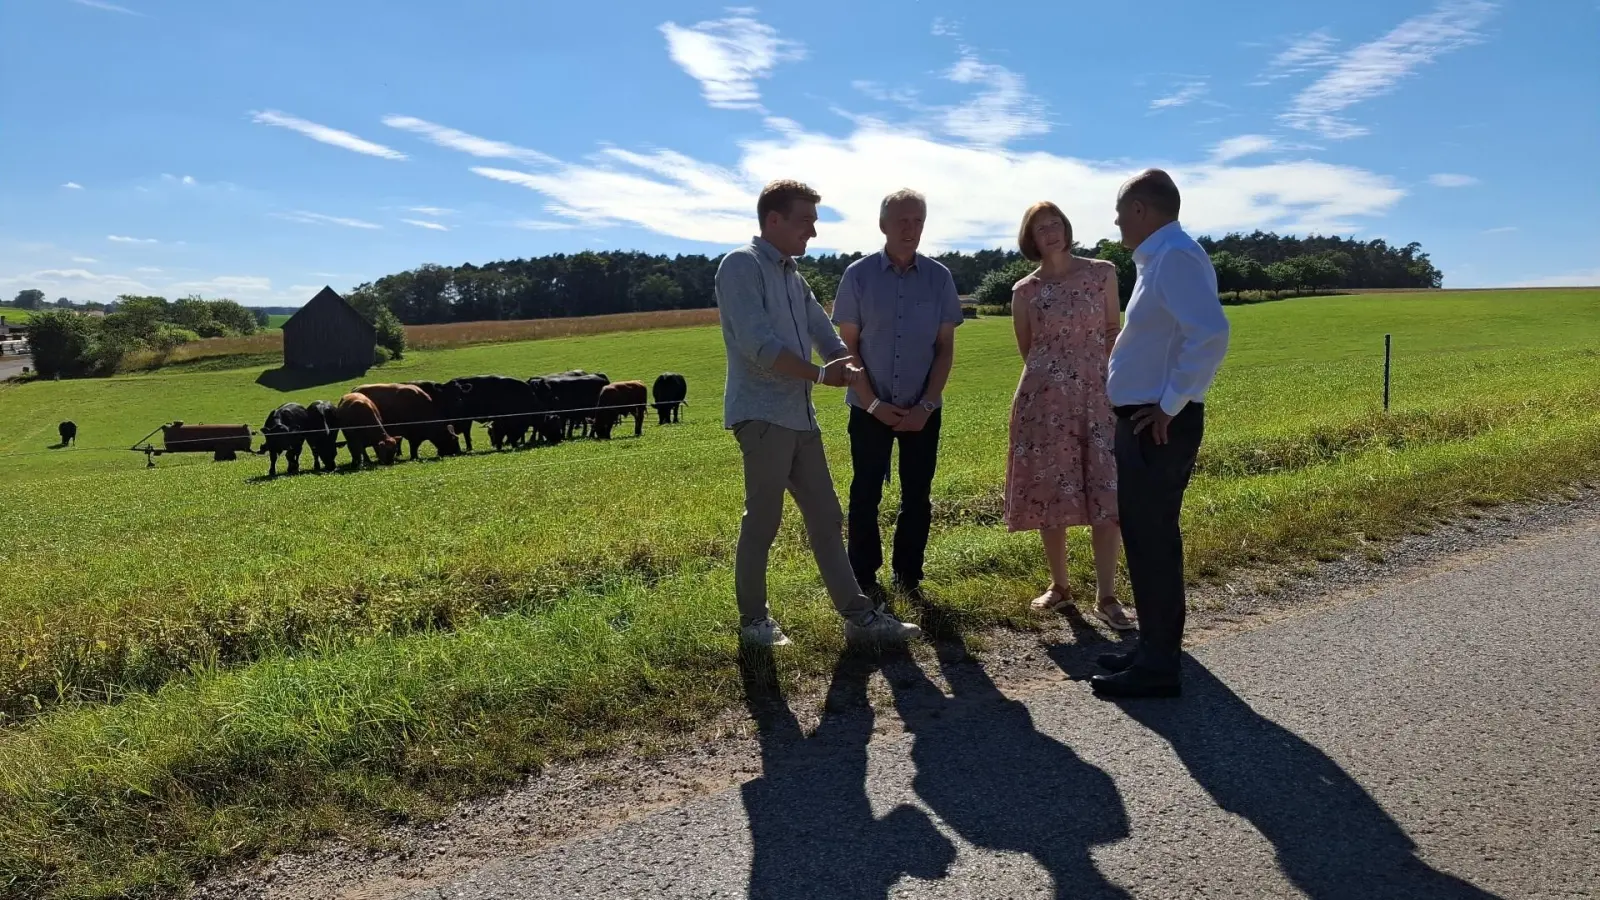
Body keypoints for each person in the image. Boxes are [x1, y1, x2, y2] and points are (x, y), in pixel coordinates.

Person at [714, 178, 925, 649]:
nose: (813, 231)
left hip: (800, 417)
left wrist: (846, 362)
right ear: (774, 220)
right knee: (763, 519)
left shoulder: (793, 275)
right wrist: (820, 374)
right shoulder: (741, 266)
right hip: (762, 414)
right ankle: (754, 624)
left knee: (827, 517)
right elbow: (758, 346)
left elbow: (824, 332)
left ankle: (858, 617)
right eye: (805, 220)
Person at [1091, 169, 1231, 700]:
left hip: (1158, 422)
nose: (1117, 223)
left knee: (1152, 539)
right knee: (1146, 536)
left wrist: (1171, 404)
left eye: (1121, 213)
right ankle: (1153, 649)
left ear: (1141, 210)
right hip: (1147, 419)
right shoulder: (1163, 258)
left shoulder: (1174, 257)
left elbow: (1211, 334)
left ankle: (1158, 664)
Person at [1003, 201, 1135, 632]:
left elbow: (1112, 331)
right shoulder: (1025, 290)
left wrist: (1107, 381)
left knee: (1106, 492)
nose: (1051, 232)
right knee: (1051, 493)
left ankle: (1107, 595)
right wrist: (1058, 378)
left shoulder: (1102, 273)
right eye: (1041, 228)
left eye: (1055, 223)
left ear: (1066, 227)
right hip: (1044, 403)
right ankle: (1060, 586)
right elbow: (1029, 350)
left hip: (1099, 396)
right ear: (1031, 239)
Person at [832, 188, 963, 603]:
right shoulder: (858, 275)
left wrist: (926, 405)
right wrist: (872, 402)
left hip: (922, 409)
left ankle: (909, 576)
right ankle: (862, 578)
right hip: (868, 406)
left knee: (917, 495)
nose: (911, 229)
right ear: (883, 224)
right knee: (865, 492)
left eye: (918, 221)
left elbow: (944, 349)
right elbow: (848, 348)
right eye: (902, 220)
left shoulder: (939, 278)